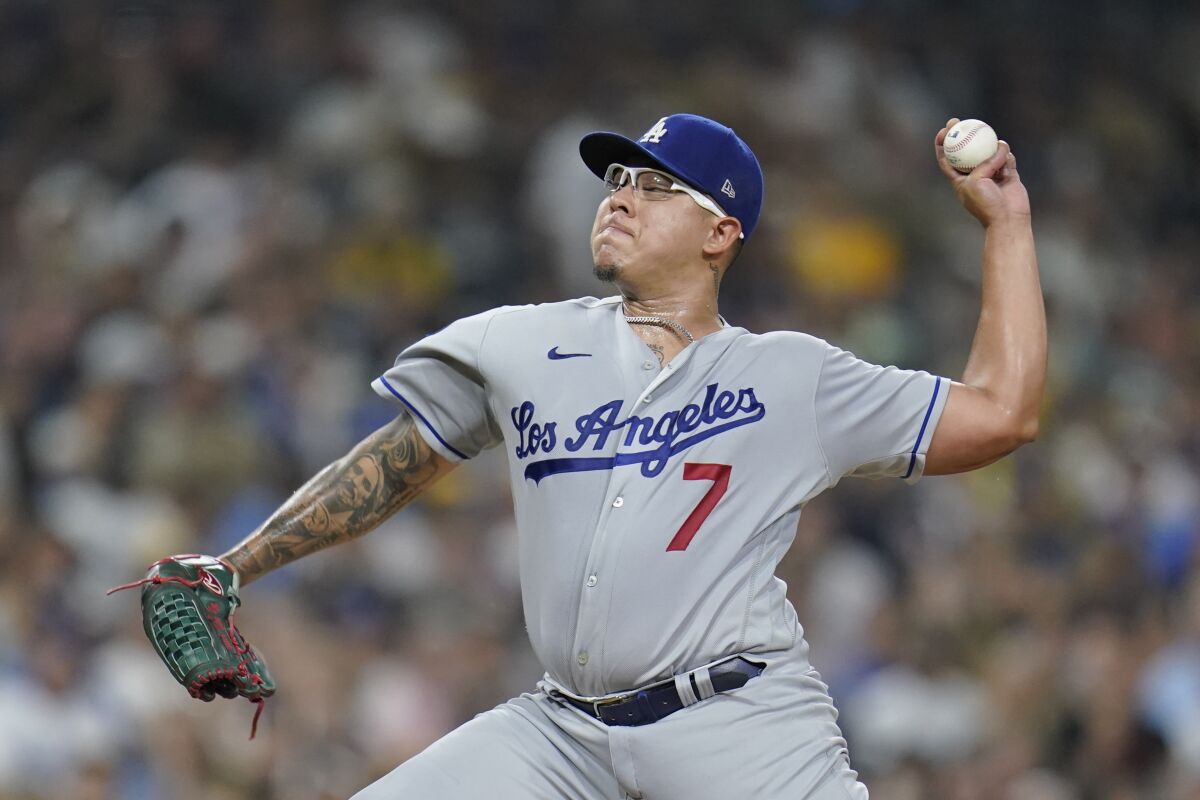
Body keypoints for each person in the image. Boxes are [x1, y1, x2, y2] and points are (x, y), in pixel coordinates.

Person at [216, 113, 1044, 798]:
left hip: (738, 725)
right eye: (617, 182)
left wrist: (1006, 224)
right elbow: (390, 468)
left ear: (721, 231)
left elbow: (1003, 413)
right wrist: (233, 568)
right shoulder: (523, 343)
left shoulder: (794, 376)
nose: (621, 198)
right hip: (562, 732)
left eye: (655, 187)